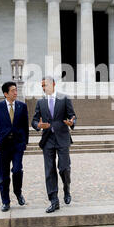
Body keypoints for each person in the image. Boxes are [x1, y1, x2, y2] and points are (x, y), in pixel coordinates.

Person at [31, 77, 77, 213]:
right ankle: (54, 200)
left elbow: (72, 116)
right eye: (42, 86)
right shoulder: (40, 102)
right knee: (49, 170)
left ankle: (66, 188)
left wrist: (71, 123)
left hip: (62, 138)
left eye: (45, 85)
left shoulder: (64, 99)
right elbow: (34, 120)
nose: (44, 88)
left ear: (54, 84)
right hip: (47, 140)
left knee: (64, 168)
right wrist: (38, 125)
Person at [0, 81, 29, 212]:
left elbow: (25, 125)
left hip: (17, 145)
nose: (16, 92)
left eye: (16, 90)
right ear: (6, 94)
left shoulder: (22, 106)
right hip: (3, 145)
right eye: (13, 91)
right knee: (4, 175)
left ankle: (18, 192)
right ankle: (5, 201)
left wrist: (25, 142)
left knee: (17, 170)